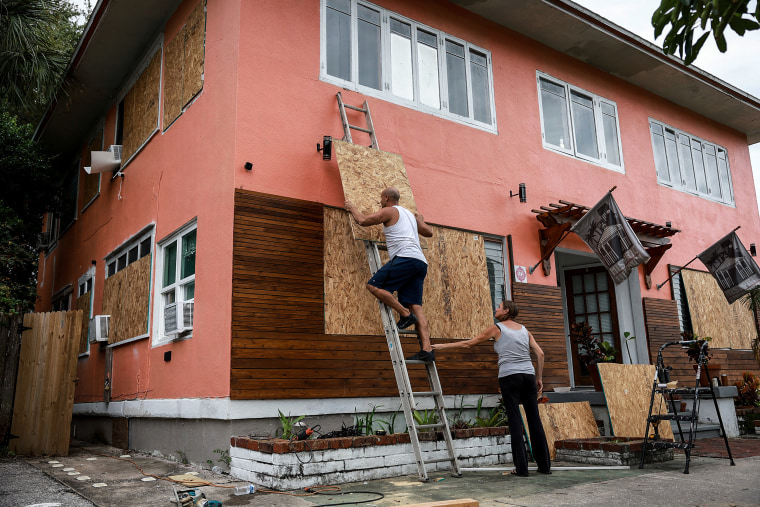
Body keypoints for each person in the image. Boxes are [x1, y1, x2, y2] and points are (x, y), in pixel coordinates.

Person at [431, 300, 551, 476]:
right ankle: (545, 467)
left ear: (506, 311)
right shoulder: (525, 330)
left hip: (510, 376)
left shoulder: (498, 328)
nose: (496, 309)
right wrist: (538, 377)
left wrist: (442, 346)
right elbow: (540, 353)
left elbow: (469, 344)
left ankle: (522, 469)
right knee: (534, 419)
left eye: (499, 307)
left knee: (515, 420)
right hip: (528, 376)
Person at [345, 187, 435, 362]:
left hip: (406, 258)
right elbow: (429, 232)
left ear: (386, 198)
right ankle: (427, 349)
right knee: (416, 305)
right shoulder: (409, 215)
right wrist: (420, 220)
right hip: (420, 262)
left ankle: (405, 314)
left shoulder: (389, 211)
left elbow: (362, 221)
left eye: (381, 198)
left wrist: (351, 207)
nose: (380, 201)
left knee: (373, 285)